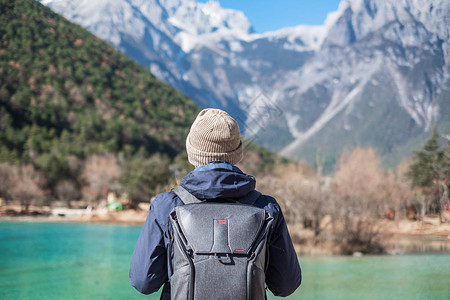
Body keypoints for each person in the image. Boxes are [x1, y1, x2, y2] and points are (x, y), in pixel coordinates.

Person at [129, 108, 301, 298]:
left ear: (192, 152)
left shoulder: (167, 206)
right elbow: (286, 285)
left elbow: (143, 282)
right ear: (237, 153)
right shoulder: (267, 208)